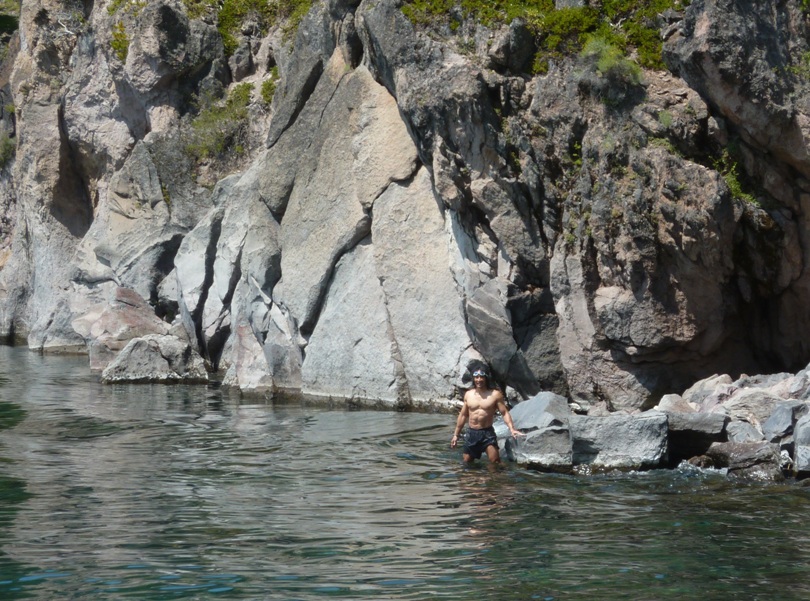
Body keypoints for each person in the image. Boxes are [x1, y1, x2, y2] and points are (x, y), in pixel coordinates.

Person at [450, 368, 524, 463]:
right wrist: (456, 435)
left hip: (487, 433)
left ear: (486, 378)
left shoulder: (495, 395)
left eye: (481, 377)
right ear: (473, 379)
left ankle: (495, 476)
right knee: (467, 462)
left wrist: (512, 429)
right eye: (476, 377)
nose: (479, 379)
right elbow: (463, 415)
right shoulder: (468, 394)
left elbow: (504, 413)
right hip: (472, 433)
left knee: (495, 462)